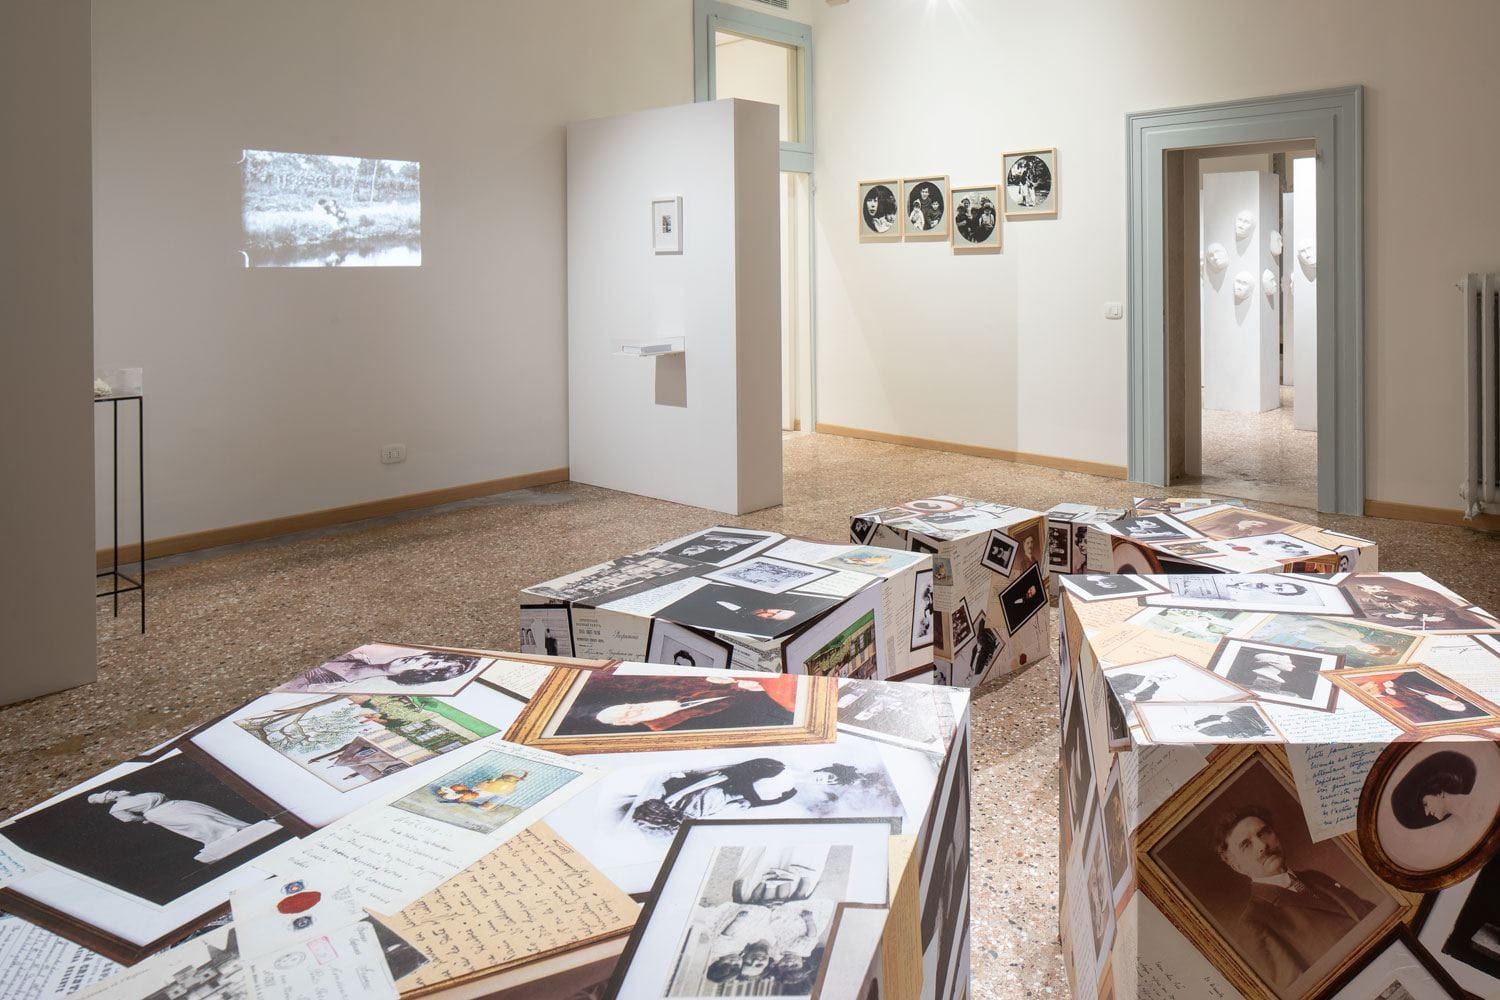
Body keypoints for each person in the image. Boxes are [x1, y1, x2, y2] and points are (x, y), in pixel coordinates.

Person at [1212, 805, 1374, 988]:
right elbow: (1302, 989)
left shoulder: (1315, 877)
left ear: (1276, 834)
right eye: (1246, 845)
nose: (1262, 846)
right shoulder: (1254, 923)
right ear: (1237, 866)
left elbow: (1368, 912)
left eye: (1264, 833)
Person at [88, 789, 257, 852]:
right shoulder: (116, 809)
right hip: (159, 813)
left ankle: (239, 828)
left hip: (176, 804)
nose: (112, 792)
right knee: (200, 821)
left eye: (110, 791)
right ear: (107, 799)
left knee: (211, 813)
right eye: (109, 794)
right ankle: (224, 835)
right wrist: (144, 818)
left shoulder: (139, 795)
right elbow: (128, 818)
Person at [286, 648, 481, 690]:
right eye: (430, 657)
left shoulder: (327, 686)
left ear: (419, 676)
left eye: (428, 664)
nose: (420, 659)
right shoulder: (357, 655)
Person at [1391, 750, 1478, 829]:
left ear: (1439, 792)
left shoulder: (1477, 809)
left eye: (1425, 804)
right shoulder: (1465, 821)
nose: (1426, 813)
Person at [1192, 707, 1270, 739]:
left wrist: (1229, 717)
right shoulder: (1209, 732)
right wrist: (1229, 717)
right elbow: (1251, 732)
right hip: (1235, 726)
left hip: (1235, 722)